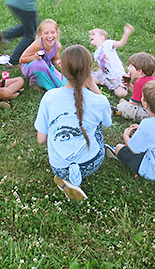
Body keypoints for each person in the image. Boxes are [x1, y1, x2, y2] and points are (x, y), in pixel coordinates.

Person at [34, 44, 112, 200]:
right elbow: (108, 121)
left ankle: (66, 179)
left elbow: (41, 139)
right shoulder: (100, 101)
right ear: (89, 70)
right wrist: (93, 86)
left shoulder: (49, 97)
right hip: (91, 163)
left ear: (62, 69)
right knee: (96, 121)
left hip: (59, 166)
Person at [106, 81, 155, 181]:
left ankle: (119, 155)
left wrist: (126, 135)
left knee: (119, 147)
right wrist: (141, 128)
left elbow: (133, 149)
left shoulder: (146, 124)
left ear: (145, 104)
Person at [20, 19, 66, 91]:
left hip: (47, 66)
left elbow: (55, 59)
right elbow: (22, 59)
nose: (50, 36)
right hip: (31, 66)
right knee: (39, 64)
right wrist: (35, 57)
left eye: (53, 32)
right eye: (46, 33)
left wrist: (58, 62)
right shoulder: (38, 44)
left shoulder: (57, 46)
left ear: (57, 32)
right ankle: (35, 82)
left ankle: (45, 79)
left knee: (63, 83)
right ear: (40, 34)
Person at [89, 23, 134, 98]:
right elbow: (101, 67)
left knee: (121, 93)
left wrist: (126, 33)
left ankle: (125, 79)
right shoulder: (96, 54)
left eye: (93, 34)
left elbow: (120, 43)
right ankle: (105, 83)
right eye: (90, 35)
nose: (90, 36)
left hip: (116, 75)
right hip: (105, 75)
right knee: (87, 78)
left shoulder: (107, 44)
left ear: (102, 37)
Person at [114, 52, 155, 122]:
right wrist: (129, 86)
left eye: (131, 66)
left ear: (139, 71)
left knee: (123, 105)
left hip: (148, 114)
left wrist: (125, 104)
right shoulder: (151, 78)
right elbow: (140, 94)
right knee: (124, 103)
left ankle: (118, 112)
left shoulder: (139, 83)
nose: (128, 68)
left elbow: (134, 103)